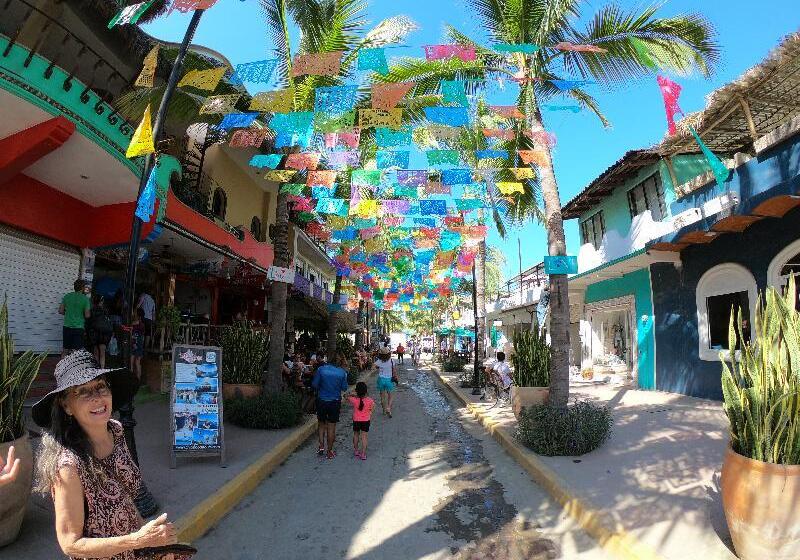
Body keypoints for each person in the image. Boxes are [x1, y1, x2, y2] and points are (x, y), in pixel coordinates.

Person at [32, 351, 183, 560]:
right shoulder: (68, 465)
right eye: (83, 391)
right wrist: (138, 540)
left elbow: (126, 496)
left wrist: (152, 544)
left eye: (101, 386)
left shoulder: (116, 431)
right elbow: (70, 544)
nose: (97, 398)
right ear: (67, 406)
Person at [311, 352, 350, 459]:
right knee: (332, 427)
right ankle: (330, 451)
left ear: (328, 359)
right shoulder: (342, 373)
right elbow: (344, 388)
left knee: (321, 424)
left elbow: (314, 384)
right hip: (334, 402)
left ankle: (321, 447)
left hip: (322, 400)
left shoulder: (321, 370)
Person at [59, 279, 91, 357]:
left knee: (65, 350)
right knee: (75, 352)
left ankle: (61, 368)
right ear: (83, 288)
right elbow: (87, 315)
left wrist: (68, 314)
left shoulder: (67, 296)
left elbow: (60, 311)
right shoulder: (85, 299)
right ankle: (74, 369)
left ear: (74, 287)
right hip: (78, 328)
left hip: (67, 326)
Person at [347, 382, 375, 460]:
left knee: (356, 435)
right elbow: (372, 409)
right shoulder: (370, 400)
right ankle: (363, 453)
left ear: (357, 391)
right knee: (364, 436)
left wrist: (353, 394)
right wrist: (369, 414)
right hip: (366, 420)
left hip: (356, 420)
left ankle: (356, 451)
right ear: (366, 391)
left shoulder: (354, 400)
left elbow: (346, 396)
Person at [87, 295, 113, 369]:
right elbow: (109, 323)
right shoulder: (105, 311)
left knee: (95, 352)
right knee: (102, 353)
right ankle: (102, 370)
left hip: (94, 334)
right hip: (104, 334)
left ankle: (96, 370)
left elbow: (88, 323)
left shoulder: (91, 310)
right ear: (101, 302)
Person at [374, 346, 397, 418]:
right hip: (389, 380)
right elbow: (394, 371)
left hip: (381, 379)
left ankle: (384, 410)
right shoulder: (391, 361)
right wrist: (396, 377)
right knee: (390, 395)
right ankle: (388, 408)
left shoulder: (379, 361)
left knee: (382, 396)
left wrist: (378, 367)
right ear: (389, 354)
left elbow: (373, 367)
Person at [130, 309, 145, 381]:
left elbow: (129, 325)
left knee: (132, 361)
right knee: (137, 362)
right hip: (140, 343)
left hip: (134, 343)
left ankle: (131, 379)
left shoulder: (134, 322)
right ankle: (138, 380)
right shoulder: (142, 324)